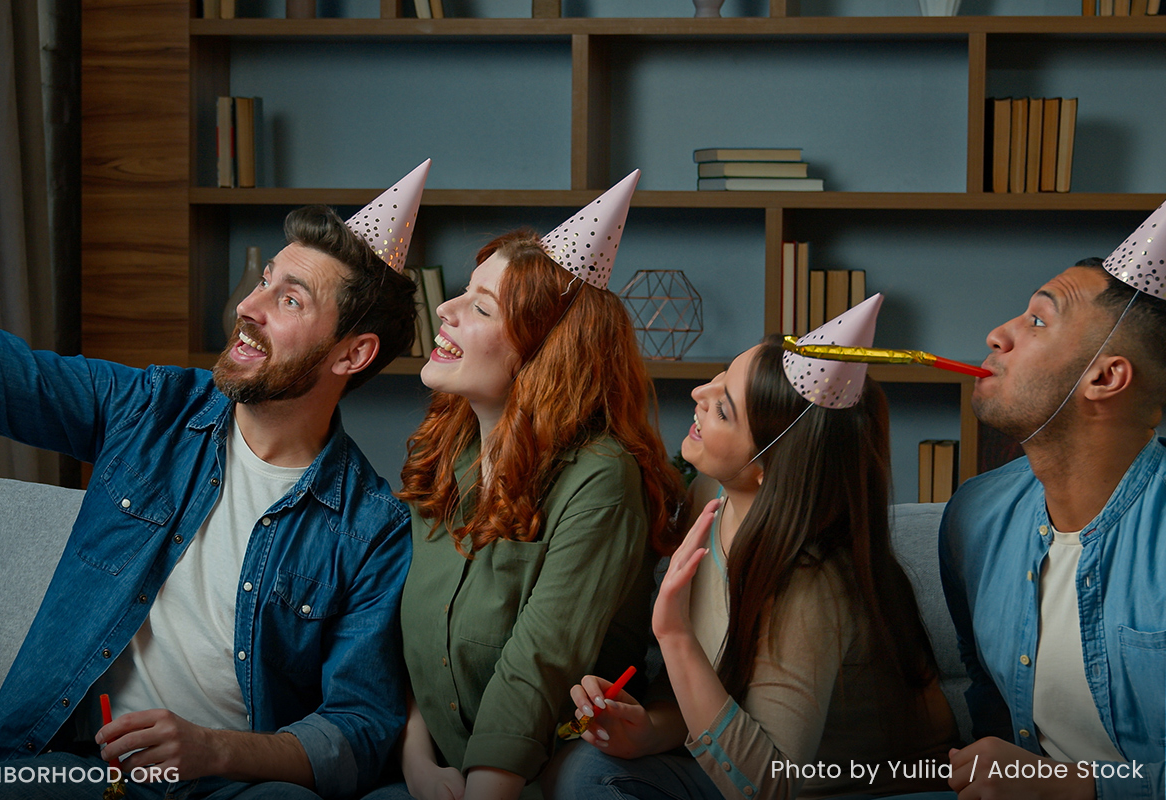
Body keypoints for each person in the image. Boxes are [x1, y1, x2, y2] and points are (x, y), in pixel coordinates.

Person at [0, 132, 429, 800]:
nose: (249, 306)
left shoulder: (371, 530)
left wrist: (214, 750)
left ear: (351, 356)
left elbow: (357, 729)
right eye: (265, 280)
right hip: (88, 774)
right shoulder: (151, 409)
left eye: (289, 300)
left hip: (235, 783)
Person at [550, 295, 961, 800]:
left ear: (768, 468)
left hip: (854, 789)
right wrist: (649, 729)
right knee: (582, 768)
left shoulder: (807, 584)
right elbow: (718, 692)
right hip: (740, 763)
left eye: (723, 408)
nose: (700, 392)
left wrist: (673, 636)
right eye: (721, 376)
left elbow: (772, 786)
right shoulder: (712, 497)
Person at [363, 171, 684, 800]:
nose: (446, 311)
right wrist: (416, 760)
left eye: (481, 308)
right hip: (436, 772)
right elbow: (424, 644)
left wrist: (486, 788)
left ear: (542, 357)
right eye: (462, 294)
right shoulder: (447, 453)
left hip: (542, 778)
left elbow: (538, 663)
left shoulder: (600, 478)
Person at [939, 203, 1166, 800]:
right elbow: (989, 702)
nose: (998, 334)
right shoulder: (974, 515)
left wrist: (1074, 787)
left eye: (1038, 321)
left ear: (1105, 378)